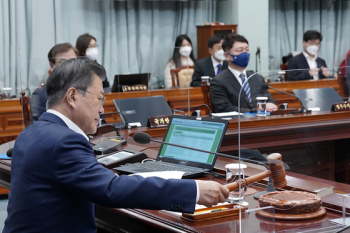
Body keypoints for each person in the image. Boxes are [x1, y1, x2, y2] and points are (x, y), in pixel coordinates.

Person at [3, 58, 229, 232]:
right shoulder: (64, 141)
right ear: (72, 97)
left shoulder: (31, 132)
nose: (102, 109)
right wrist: (194, 191)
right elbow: (112, 189)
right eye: (100, 98)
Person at [209, 33, 277, 113]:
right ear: (226, 56)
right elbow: (225, 108)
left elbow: (269, 99)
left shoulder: (257, 78)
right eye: (240, 50)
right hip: (237, 123)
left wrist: (270, 104)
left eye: (247, 50)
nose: (245, 53)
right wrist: (254, 112)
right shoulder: (218, 82)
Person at [30, 43, 77, 123]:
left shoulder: (86, 90)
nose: (70, 67)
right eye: (63, 62)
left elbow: (100, 123)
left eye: (73, 62)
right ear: (52, 66)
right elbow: (40, 129)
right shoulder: (40, 96)